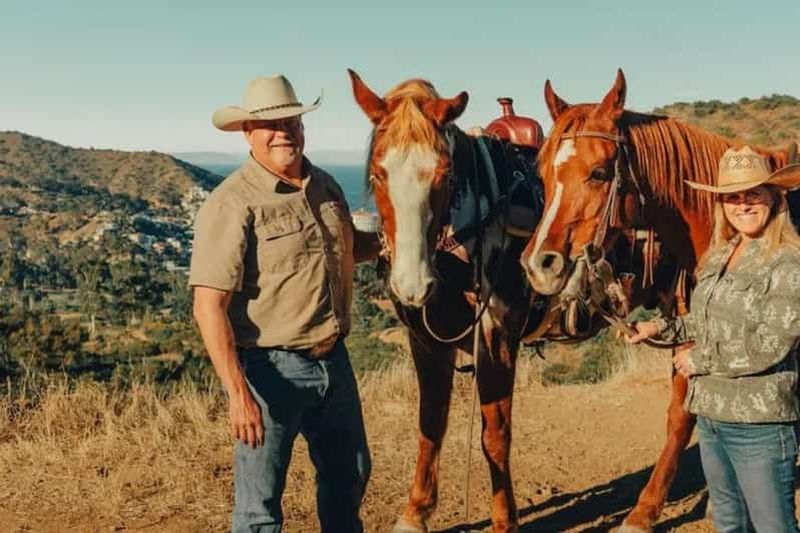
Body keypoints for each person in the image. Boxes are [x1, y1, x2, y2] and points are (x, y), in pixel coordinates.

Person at [190, 74, 381, 532]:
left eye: (291, 120)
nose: (283, 132)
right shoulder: (233, 203)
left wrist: (412, 239)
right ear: (247, 133)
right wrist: (238, 395)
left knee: (350, 476)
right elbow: (208, 306)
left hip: (333, 361)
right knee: (259, 509)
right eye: (269, 124)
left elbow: (352, 247)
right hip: (268, 372)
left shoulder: (326, 185)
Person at [627, 145, 800, 532]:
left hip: (760, 423)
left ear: (774, 198)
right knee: (729, 521)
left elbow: (772, 344)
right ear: (722, 205)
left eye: (753, 193)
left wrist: (700, 360)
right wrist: (659, 328)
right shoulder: (721, 255)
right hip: (712, 415)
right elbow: (704, 323)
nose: (743, 204)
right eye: (733, 197)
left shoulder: (788, 263)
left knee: (773, 525)